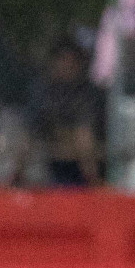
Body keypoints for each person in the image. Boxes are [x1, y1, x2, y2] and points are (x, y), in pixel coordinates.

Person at [30, 40, 104, 188]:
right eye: (63, 60)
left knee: (83, 137)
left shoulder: (89, 93)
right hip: (51, 161)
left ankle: (94, 183)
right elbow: (33, 130)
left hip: (81, 167)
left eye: (72, 61)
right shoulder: (43, 91)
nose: (67, 66)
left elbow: (84, 134)